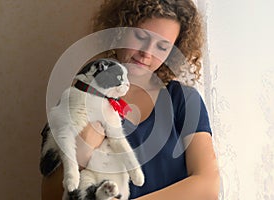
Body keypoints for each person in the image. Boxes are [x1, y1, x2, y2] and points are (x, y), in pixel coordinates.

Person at [41, 0, 220, 199]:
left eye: (162, 46)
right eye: (140, 36)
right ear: (120, 29)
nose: (146, 53)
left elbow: (208, 185)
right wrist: (88, 138)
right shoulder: (78, 97)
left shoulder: (184, 100)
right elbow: (50, 195)